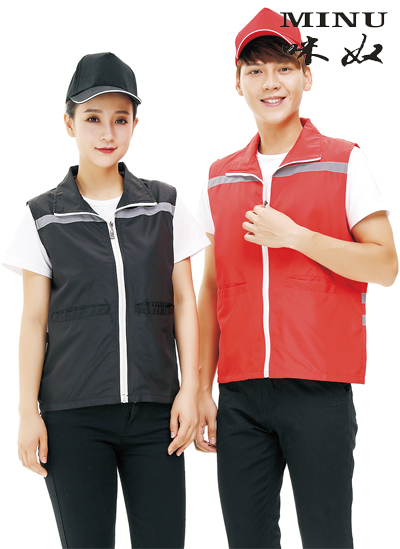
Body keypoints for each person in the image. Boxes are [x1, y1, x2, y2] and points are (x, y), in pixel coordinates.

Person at [195, 8, 398, 549]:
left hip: (319, 390)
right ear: (237, 83)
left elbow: (385, 265)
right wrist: (201, 388)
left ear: (307, 76)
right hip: (240, 394)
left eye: (283, 68)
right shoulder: (219, 177)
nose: (271, 83)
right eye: (255, 70)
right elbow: (212, 288)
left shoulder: (344, 161)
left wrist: (298, 237)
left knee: (328, 539)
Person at [3, 52, 209, 549]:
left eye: (120, 119)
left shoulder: (164, 205)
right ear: (69, 123)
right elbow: (33, 320)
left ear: (135, 124)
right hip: (72, 416)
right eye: (92, 118)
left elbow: (185, 301)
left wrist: (190, 389)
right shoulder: (42, 216)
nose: (107, 133)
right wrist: (27, 412)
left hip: (157, 412)